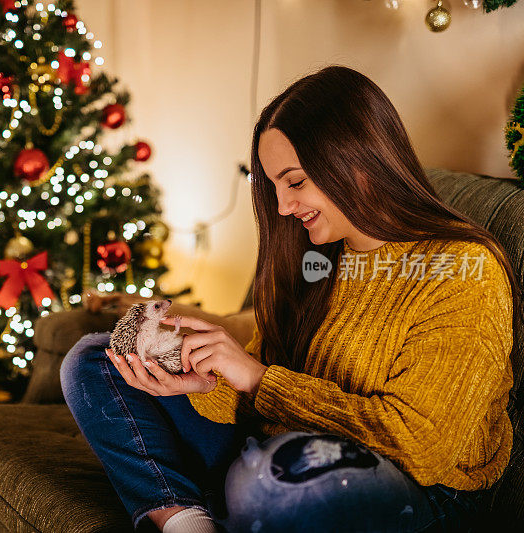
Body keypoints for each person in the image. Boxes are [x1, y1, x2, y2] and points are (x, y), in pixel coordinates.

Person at [60, 65, 521, 532]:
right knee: (96, 360)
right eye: (273, 186)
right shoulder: (313, 261)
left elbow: (419, 448)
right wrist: (206, 383)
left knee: (273, 481)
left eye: (294, 182)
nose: (281, 207)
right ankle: (188, 523)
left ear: (358, 160)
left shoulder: (464, 270)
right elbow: (257, 398)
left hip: (410, 490)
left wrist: (258, 380)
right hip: (273, 454)